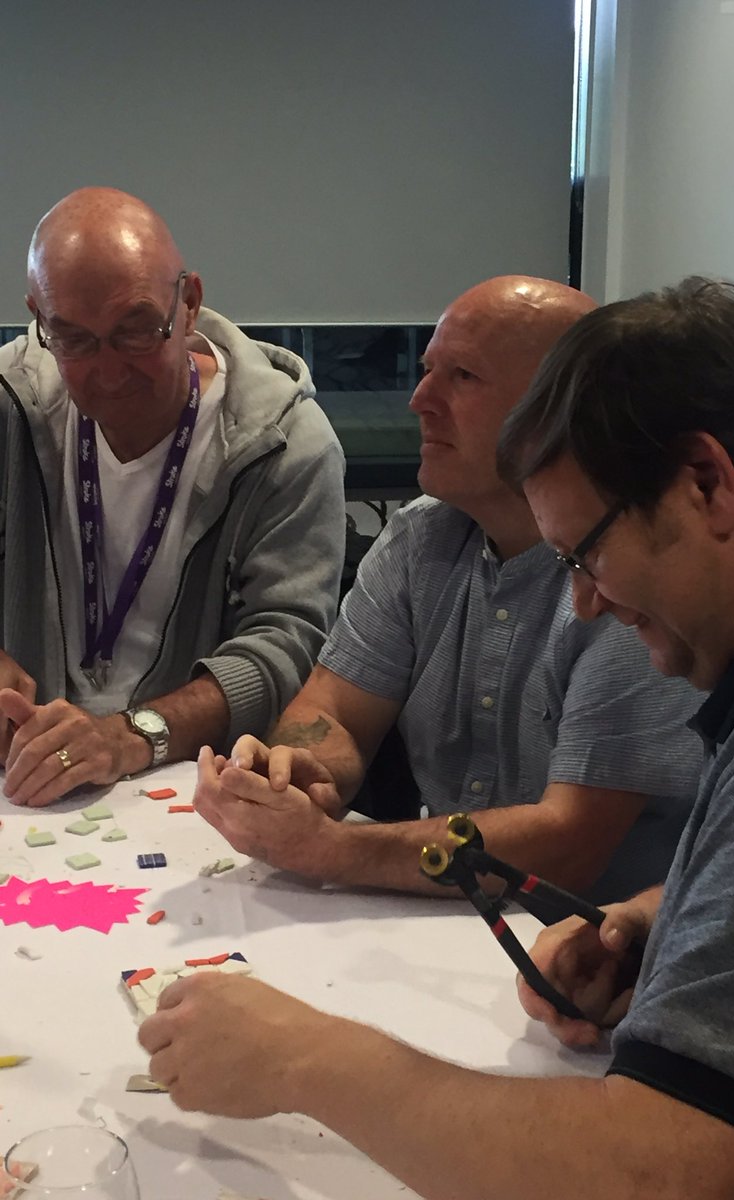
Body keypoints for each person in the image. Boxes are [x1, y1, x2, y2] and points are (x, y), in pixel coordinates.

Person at [139, 277, 734, 1198]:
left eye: (586, 556)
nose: (585, 602)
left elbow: (657, 1173)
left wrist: (303, 1058)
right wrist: (653, 921)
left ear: (708, 483)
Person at [192, 275, 702, 903]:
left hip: (597, 955)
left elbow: (570, 843)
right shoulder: (422, 538)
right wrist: (298, 770)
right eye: (429, 369)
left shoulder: (628, 572)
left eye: (463, 376)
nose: (419, 399)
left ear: (560, 413)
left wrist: (333, 848)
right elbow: (334, 713)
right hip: (449, 922)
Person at [0, 187, 345, 808]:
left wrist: (132, 734)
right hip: (24, 773)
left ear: (188, 303)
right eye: (74, 340)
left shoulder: (285, 444)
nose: (108, 372)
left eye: (135, 332)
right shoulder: (10, 409)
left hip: (189, 782)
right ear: (39, 318)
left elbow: (287, 647)